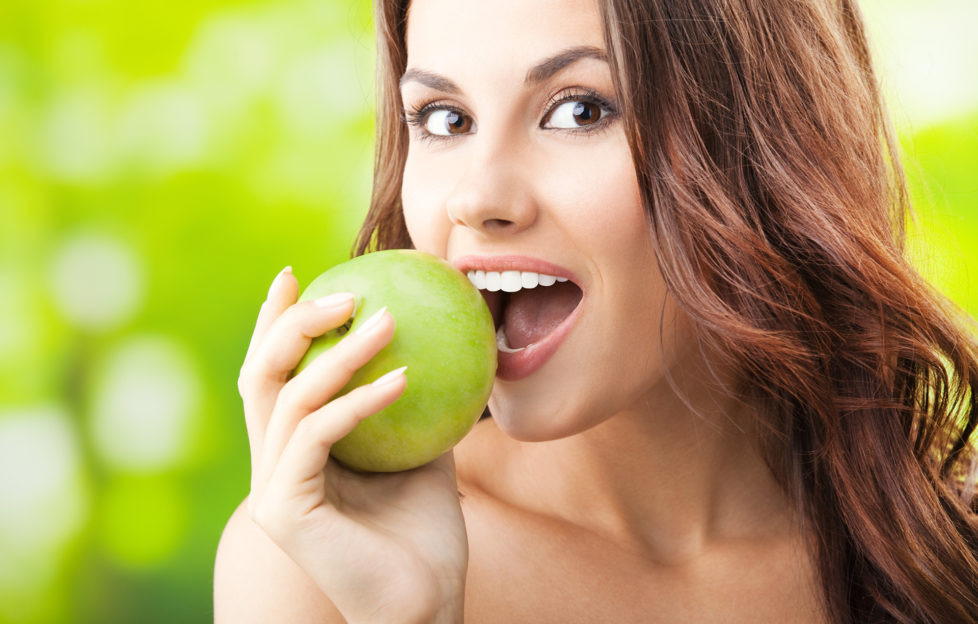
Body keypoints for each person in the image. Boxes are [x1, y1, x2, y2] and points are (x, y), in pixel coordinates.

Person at [214, 0, 978, 621]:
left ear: (759, 142)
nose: (478, 198)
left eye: (580, 110)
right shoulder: (314, 566)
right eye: (445, 118)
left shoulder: (947, 551)